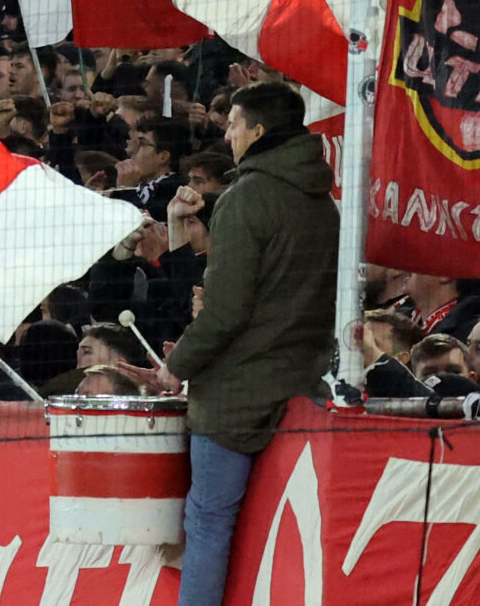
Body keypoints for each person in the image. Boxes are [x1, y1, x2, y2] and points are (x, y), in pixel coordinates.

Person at [163, 83, 338, 606]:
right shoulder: (322, 202)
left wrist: (177, 365)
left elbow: (225, 313)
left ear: (258, 131)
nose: (226, 132)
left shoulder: (247, 199)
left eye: (232, 123)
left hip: (236, 395)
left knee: (208, 523)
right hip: (303, 385)